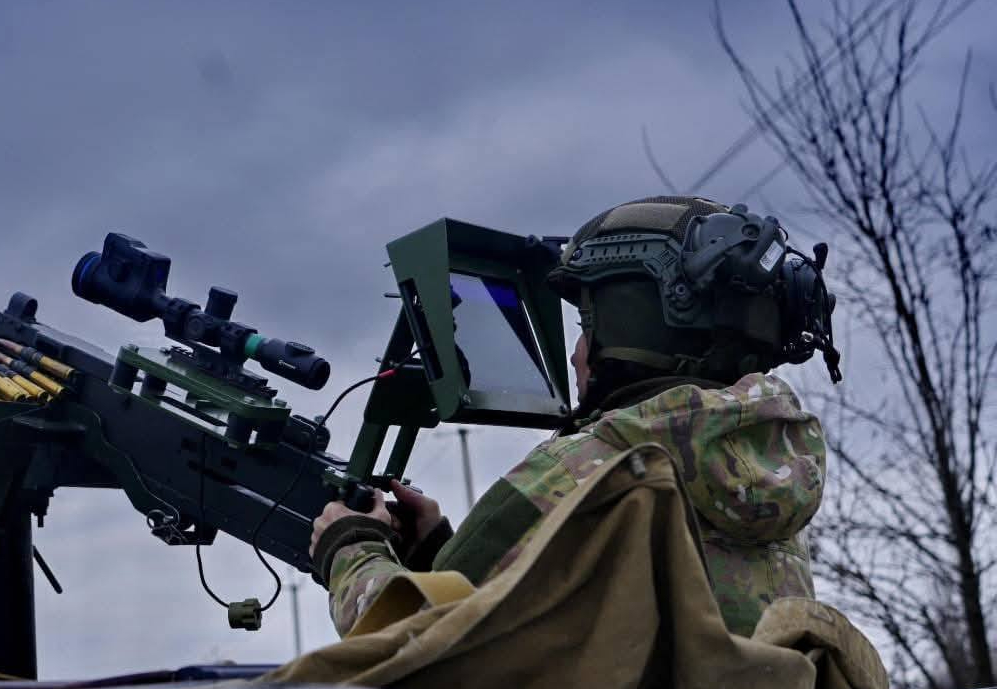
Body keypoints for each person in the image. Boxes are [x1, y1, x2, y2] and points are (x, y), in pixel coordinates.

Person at [309, 195, 835, 638]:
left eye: (586, 325)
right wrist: (432, 551)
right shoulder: (768, 469)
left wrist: (351, 545)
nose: (576, 352)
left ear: (631, 327)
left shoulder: (582, 470)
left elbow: (413, 645)